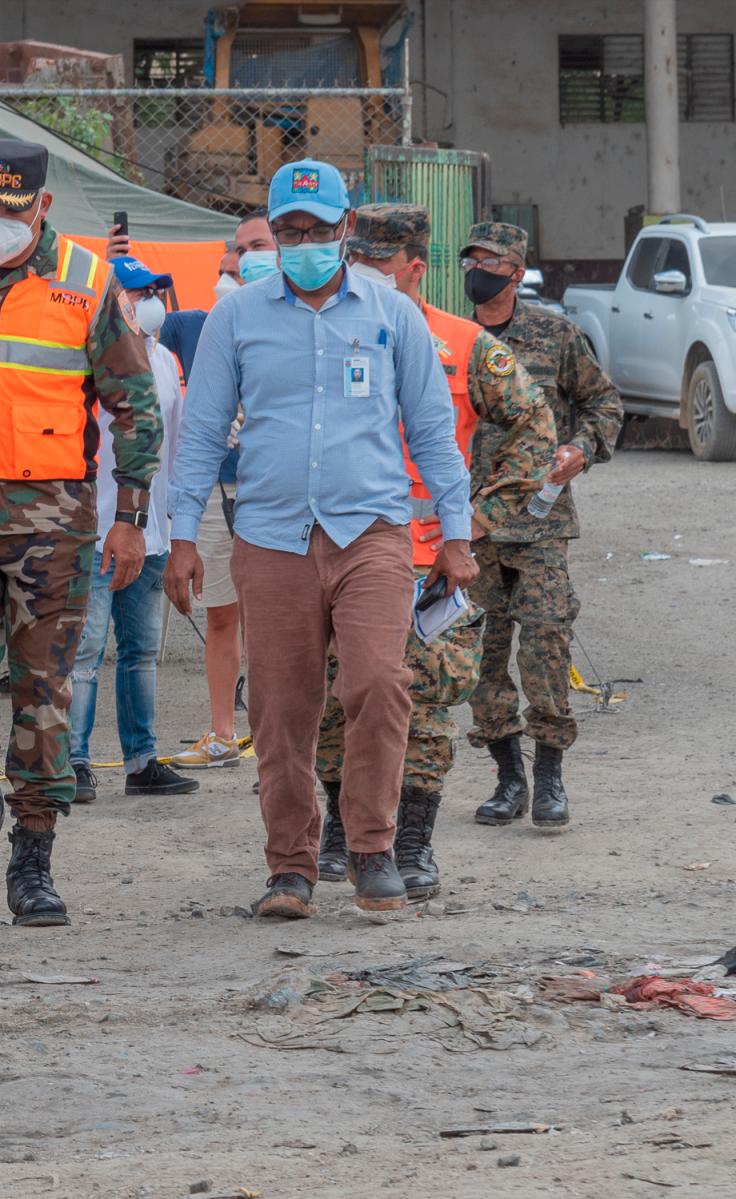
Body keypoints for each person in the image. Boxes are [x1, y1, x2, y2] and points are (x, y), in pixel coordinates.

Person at [167, 160, 476, 920]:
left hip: (371, 531)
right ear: (272, 234)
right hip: (272, 537)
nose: (303, 242)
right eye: (289, 231)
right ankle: (291, 866)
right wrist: (180, 534)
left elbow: (434, 429)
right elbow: (202, 431)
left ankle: (372, 846)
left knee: (378, 680)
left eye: (318, 230)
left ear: (346, 229)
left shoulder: (390, 313)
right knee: (280, 706)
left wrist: (459, 532)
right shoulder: (237, 319)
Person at [0, 138, 158, 926]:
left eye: (14, 210)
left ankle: (34, 857)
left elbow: (136, 407)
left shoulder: (87, 283)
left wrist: (131, 519)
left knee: (43, 692)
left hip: (52, 524)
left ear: (43, 206)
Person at [314, 205, 555, 898]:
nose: (357, 274)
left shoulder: (464, 345)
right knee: (337, 699)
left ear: (415, 268)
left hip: (427, 567)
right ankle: (341, 829)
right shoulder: (324, 335)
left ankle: (413, 843)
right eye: (351, 260)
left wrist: (478, 521)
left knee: (420, 705)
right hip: (338, 552)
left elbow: (534, 426)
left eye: (375, 264)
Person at [460, 221, 622, 831]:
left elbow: (604, 403)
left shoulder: (553, 334)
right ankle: (508, 778)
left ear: (515, 267)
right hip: (469, 525)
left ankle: (550, 774)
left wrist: (582, 448)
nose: (477, 269)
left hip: (541, 518)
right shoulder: (447, 337)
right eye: (470, 259)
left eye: (489, 259)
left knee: (548, 640)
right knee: (480, 653)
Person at [67, 256, 198, 801]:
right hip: (99, 525)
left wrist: (173, 520)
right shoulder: (87, 357)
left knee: (141, 650)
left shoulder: (165, 359)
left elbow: (176, 441)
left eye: (152, 291)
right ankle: (71, 760)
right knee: (84, 651)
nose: (148, 301)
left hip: (152, 530)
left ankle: (141, 759)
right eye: (135, 292)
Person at [172, 207, 274, 772]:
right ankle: (222, 732)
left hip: (272, 494)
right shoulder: (200, 324)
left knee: (277, 617)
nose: (241, 262)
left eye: (256, 247)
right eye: (236, 254)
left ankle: (275, 728)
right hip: (219, 490)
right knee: (221, 614)